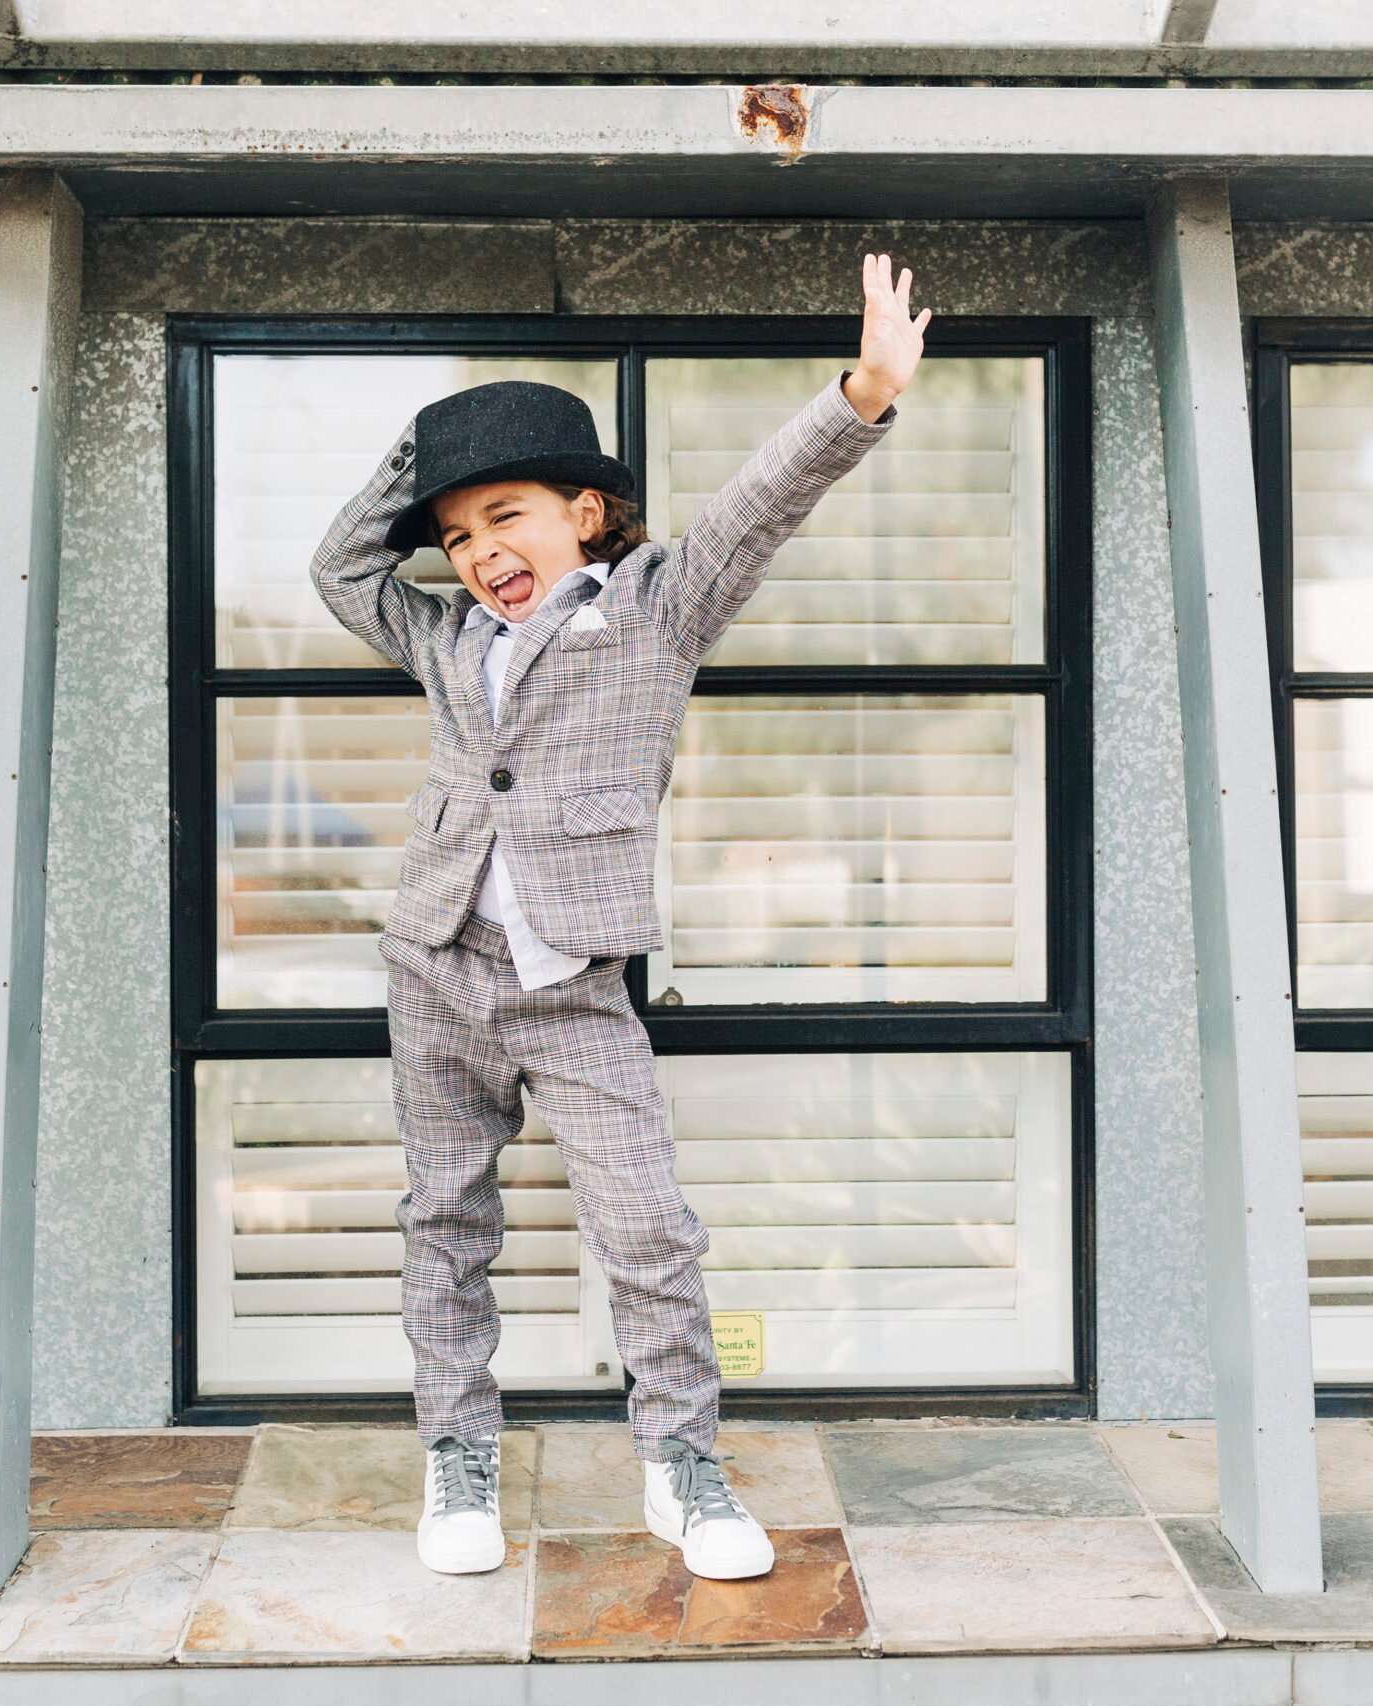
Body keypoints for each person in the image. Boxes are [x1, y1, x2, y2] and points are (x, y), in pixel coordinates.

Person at [307, 253, 930, 1579]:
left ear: (587, 514)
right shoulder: (440, 638)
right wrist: (414, 461)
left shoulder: (659, 608)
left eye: (509, 515)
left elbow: (759, 508)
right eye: (461, 533)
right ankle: (457, 1457)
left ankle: (685, 1467)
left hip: (573, 975)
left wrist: (861, 395)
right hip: (434, 963)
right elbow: (342, 569)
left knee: (646, 1223)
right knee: (446, 1218)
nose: (482, 552)